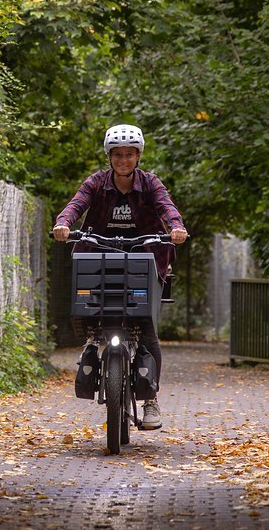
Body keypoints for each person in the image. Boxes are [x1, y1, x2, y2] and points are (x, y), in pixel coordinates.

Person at [53, 123, 188, 430]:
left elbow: (167, 208)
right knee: (92, 313)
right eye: (118, 155)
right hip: (99, 255)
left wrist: (175, 228)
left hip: (145, 259)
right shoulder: (97, 183)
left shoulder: (150, 183)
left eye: (129, 154)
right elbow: (76, 204)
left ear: (137, 156)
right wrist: (63, 222)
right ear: (109, 156)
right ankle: (91, 345)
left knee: (147, 329)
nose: (123, 160)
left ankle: (151, 400)